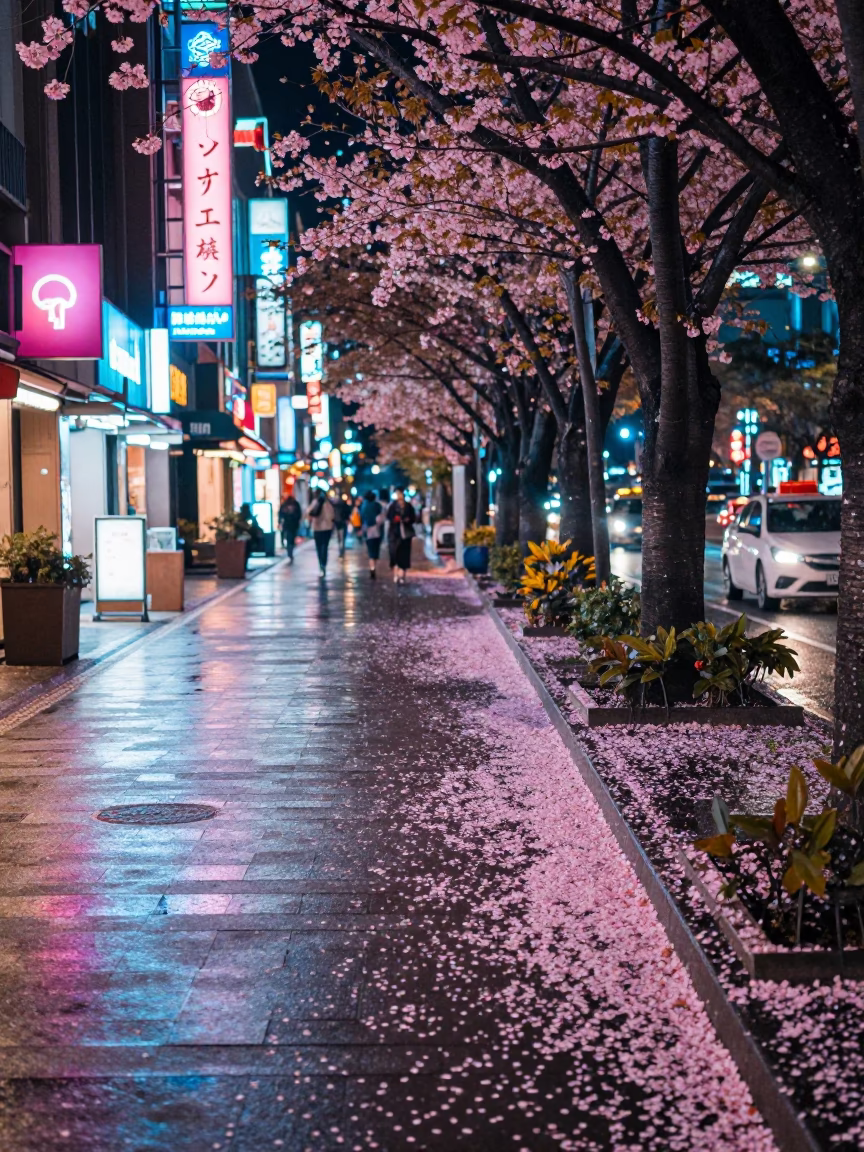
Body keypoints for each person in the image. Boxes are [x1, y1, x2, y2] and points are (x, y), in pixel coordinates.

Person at [386, 488, 417, 583]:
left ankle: (402, 574)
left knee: (404, 554)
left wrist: (408, 520)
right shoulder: (392, 506)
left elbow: (413, 518)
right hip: (394, 533)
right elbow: (389, 516)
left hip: (405, 534)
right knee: (394, 553)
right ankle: (396, 573)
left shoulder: (408, 506)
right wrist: (395, 519)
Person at [306, 488, 336, 578]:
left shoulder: (315, 503)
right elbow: (332, 515)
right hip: (327, 528)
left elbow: (308, 512)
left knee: (319, 548)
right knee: (325, 547)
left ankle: (321, 565)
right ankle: (323, 564)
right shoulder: (328, 504)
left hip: (317, 528)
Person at [360, 490, 384, 579]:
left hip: (367, 530)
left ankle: (372, 567)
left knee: (370, 550)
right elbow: (381, 517)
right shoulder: (377, 506)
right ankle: (374, 565)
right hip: (377, 530)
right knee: (375, 550)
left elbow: (361, 518)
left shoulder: (364, 507)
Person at [278, 492, 302, 562]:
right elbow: (299, 514)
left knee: (289, 538)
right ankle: (290, 550)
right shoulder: (295, 504)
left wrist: (280, 522)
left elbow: (280, 514)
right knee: (291, 538)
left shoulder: (285, 504)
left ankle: (289, 551)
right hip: (293, 524)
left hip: (287, 524)